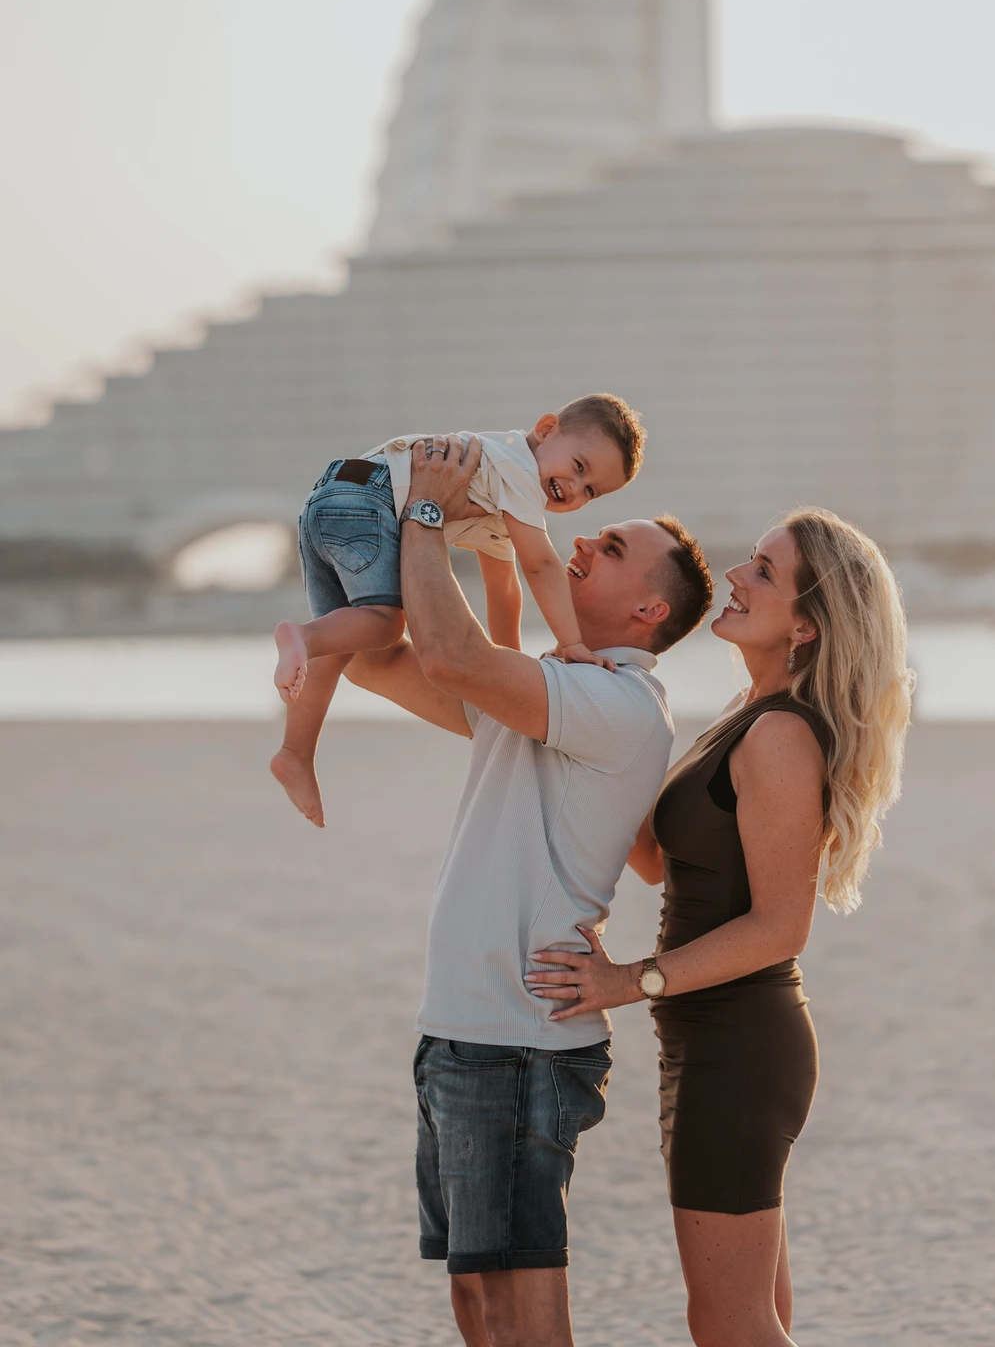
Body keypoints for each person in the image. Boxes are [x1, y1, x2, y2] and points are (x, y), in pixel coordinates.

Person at [344, 433, 715, 1347]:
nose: (580, 542)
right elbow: (379, 660)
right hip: (461, 1033)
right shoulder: (548, 691)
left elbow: (452, 657)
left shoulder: (617, 704)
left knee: (521, 1307)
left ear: (647, 609)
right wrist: (364, 527)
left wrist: (429, 510)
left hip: (516, 1044)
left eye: (612, 550)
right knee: (477, 1300)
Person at [527, 507, 913, 1347]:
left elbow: (780, 927)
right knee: (756, 1322)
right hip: (716, 1043)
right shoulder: (749, 710)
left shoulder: (777, 735)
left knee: (730, 1327)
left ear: (807, 622)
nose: (736, 577)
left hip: (738, 1045)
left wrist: (627, 980)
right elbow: (663, 862)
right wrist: (593, 717)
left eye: (764, 573)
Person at [269, 392, 645, 825]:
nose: (574, 488)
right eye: (579, 467)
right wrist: (571, 642)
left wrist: (510, 675)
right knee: (386, 624)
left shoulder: (499, 486)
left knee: (338, 642)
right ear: (545, 431)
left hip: (330, 493)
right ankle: (300, 637)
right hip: (369, 504)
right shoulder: (518, 472)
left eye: (591, 491)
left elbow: (503, 589)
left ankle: (294, 753)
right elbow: (540, 566)